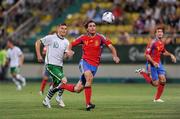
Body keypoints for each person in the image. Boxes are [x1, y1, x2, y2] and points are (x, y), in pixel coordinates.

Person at [60, 20, 120, 111]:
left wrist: (115, 56)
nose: (93, 27)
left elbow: (111, 46)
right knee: (89, 78)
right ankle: (88, 104)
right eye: (90, 26)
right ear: (87, 28)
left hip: (95, 65)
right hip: (84, 62)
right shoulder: (83, 38)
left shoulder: (100, 37)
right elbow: (71, 44)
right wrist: (69, 51)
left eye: (94, 26)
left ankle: (62, 86)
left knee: (78, 89)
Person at [136, 26, 176, 102]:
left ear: (163, 33)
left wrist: (171, 55)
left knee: (163, 80)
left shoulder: (161, 43)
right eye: (158, 32)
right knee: (155, 84)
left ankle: (157, 99)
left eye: (161, 32)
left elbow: (164, 52)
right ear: (155, 34)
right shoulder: (152, 42)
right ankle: (143, 72)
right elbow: (146, 55)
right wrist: (153, 62)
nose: (160, 33)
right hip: (151, 63)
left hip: (158, 63)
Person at [35, 23, 71, 108]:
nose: (64, 30)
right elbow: (37, 42)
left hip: (59, 66)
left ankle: (46, 100)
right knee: (64, 81)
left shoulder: (66, 42)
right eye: (62, 28)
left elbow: (65, 57)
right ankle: (59, 97)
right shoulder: (51, 38)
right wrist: (39, 55)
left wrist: (69, 55)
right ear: (58, 29)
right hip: (51, 65)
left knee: (55, 84)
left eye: (65, 29)